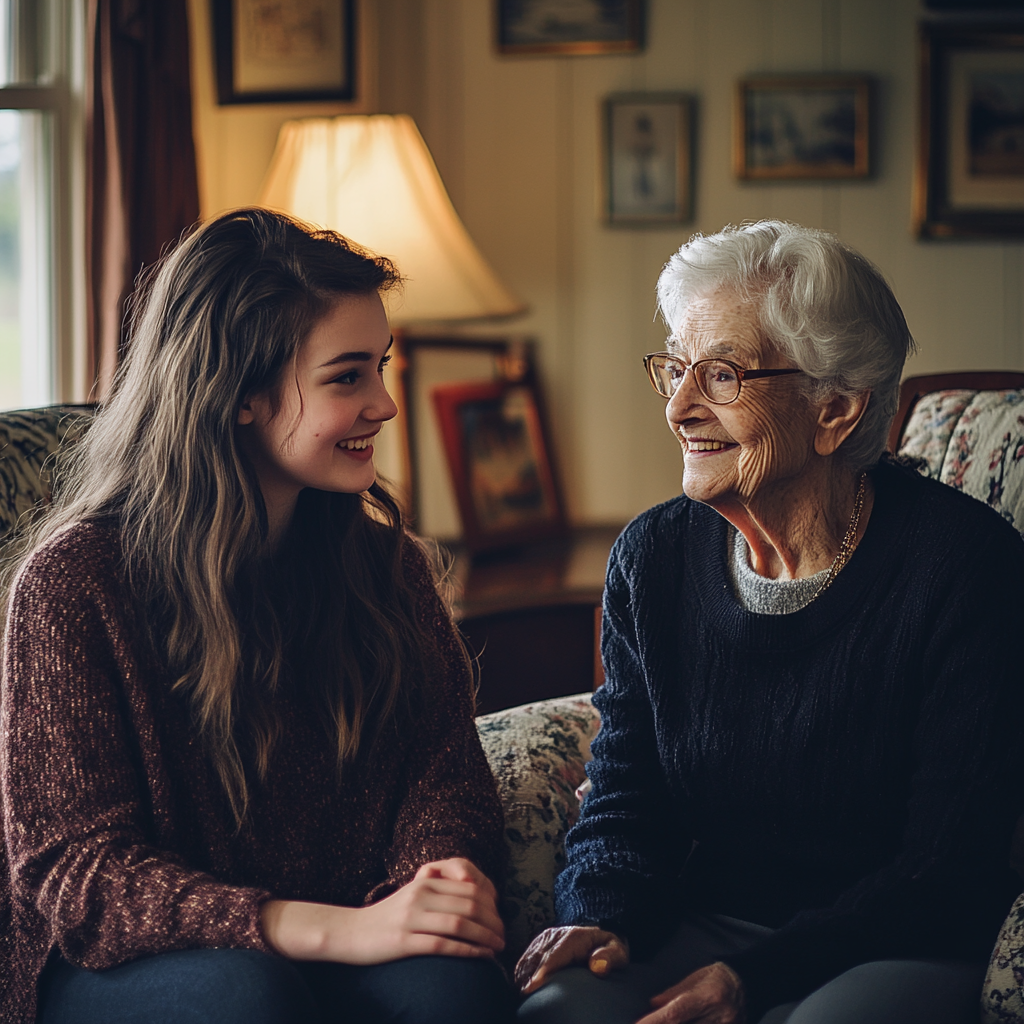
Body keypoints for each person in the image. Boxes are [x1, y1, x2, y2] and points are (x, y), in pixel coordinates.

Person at [0, 208, 517, 1024]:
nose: (384, 404)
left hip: (353, 928)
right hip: (132, 962)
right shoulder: (72, 586)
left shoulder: (391, 572)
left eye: (379, 367)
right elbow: (78, 875)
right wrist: (317, 931)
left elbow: (444, 781)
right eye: (347, 376)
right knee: (249, 997)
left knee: (451, 982)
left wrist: (430, 890)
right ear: (239, 394)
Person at [515, 220, 1024, 1024]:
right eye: (676, 369)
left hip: (895, 940)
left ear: (835, 411)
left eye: (720, 375)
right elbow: (626, 791)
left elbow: (945, 866)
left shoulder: (964, 568)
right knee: (560, 1013)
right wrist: (600, 913)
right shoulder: (653, 558)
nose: (681, 406)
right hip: (705, 921)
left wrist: (756, 975)